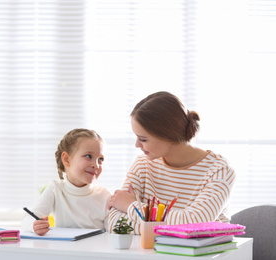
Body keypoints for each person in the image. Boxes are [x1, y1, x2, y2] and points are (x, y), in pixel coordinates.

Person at [107, 91, 236, 234]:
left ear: (168, 134)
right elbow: (115, 223)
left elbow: (194, 224)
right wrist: (171, 227)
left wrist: (131, 206)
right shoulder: (142, 165)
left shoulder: (219, 171)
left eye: (143, 139)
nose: (137, 145)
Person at [22, 128, 112, 236]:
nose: (96, 165)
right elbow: (28, 219)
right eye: (88, 156)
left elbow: (113, 234)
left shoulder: (105, 196)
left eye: (100, 159)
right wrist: (34, 225)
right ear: (67, 159)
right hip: (65, 250)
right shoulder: (55, 189)